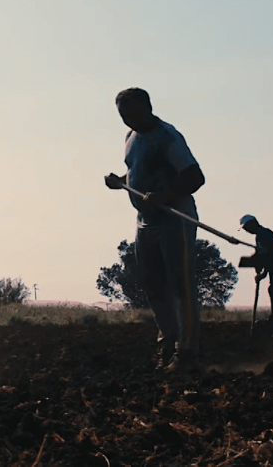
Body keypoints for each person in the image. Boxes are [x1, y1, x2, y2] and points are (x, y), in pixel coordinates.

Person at [103, 87, 205, 371]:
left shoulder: (167, 137)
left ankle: (187, 353)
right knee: (153, 285)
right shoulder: (130, 138)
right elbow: (138, 172)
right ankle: (168, 342)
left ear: (147, 108)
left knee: (181, 285)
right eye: (123, 115)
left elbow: (195, 177)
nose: (128, 120)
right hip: (145, 221)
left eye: (132, 113)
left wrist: (165, 196)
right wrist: (121, 181)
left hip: (175, 219)